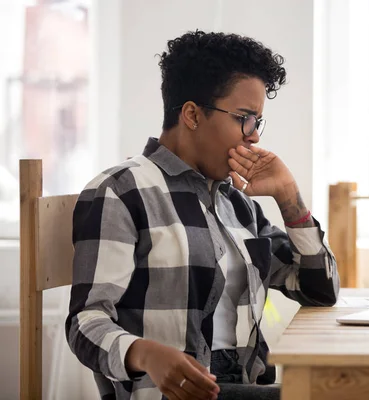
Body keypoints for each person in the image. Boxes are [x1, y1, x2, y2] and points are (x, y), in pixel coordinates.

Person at [65, 31, 339, 400]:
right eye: (245, 118)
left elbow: (320, 290)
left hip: (241, 386)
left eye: (258, 122)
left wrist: (289, 198)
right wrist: (146, 354)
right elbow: (85, 323)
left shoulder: (236, 204)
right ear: (192, 114)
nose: (254, 137)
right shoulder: (120, 192)